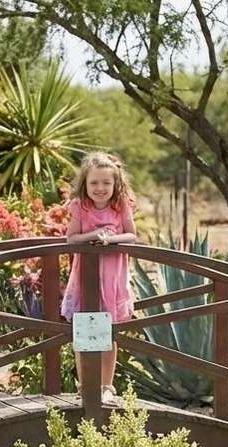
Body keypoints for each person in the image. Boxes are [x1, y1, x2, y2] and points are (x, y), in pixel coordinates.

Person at [61, 152, 138, 405]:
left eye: (106, 183)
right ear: (85, 184)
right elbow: (71, 238)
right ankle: (85, 386)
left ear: (116, 184)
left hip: (113, 278)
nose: (100, 188)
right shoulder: (80, 207)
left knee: (109, 333)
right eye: (94, 183)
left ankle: (106, 386)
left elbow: (131, 235)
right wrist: (93, 234)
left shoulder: (121, 206)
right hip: (87, 279)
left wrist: (110, 239)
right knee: (84, 329)